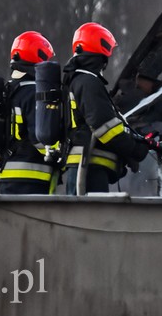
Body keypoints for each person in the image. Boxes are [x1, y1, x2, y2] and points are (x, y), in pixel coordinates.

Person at [63, 22, 149, 194]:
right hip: (89, 168)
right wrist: (134, 149)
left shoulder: (80, 79)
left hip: (87, 167)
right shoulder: (88, 82)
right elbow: (105, 127)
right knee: (90, 220)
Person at [0, 31, 57, 195]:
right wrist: (58, 154)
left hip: (6, 174)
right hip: (31, 178)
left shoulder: (7, 90)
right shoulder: (32, 91)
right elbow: (38, 134)